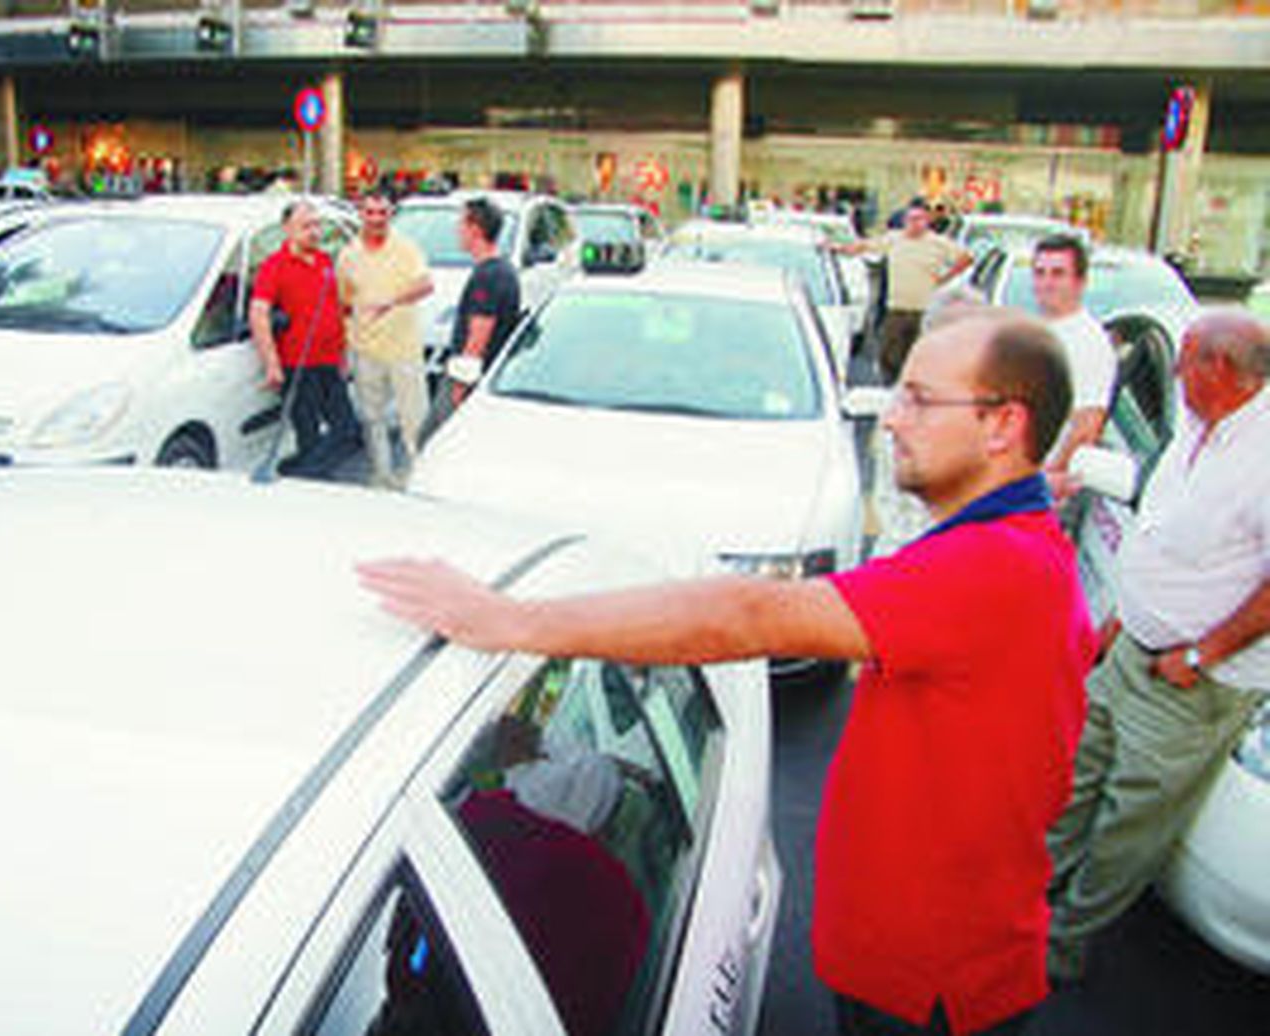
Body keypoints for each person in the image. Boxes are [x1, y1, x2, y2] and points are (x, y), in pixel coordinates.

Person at [362, 312, 1097, 1036]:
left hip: (933, 989)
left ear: (1004, 425)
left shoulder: (994, 568)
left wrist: (513, 622)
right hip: (920, 967)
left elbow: (745, 616)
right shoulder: (1002, 552)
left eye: (920, 399)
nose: (894, 420)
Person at [1046, 310, 1270, 984]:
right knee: (1074, 780)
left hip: (1191, 681)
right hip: (1130, 650)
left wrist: (1199, 655)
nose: (1172, 371)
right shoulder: (1201, 427)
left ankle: (1061, 946)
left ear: (1221, 371)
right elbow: (1158, 533)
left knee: (1127, 826)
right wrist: (1121, 620)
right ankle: (1025, 900)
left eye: (1186, 359)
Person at [249, 199, 361, 477]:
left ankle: (299, 473)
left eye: (316, 225)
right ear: (287, 229)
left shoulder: (324, 261)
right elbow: (258, 313)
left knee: (348, 432)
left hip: (329, 364)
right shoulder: (274, 266)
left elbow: (336, 310)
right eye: (306, 226)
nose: (314, 231)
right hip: (297, 365)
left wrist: (343, 353)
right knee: (308, 435)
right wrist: (271, 364)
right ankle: (313, 483)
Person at [336, 189, 434, 489]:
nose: (377, 219)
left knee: (414, 421)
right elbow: (344, 304)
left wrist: (391, 302)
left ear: (391, 215)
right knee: (372, 419)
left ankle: (421, 479)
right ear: (360, 215)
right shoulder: (348, 255)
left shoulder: (406, 249)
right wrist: (343, 349)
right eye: (370, 213)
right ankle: (382, 477)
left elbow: (426, 285)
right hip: (365, 348)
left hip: (403, 350)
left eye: (383, 213)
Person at [838, 198, 973, 384]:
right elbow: (864, 246)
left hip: (924, 309)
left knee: (922, 354)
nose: (914, 224)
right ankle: (891, 384)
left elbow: (966, 258)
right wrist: (837, 247)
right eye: (911, 220)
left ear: (927, 221)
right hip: (897, 308)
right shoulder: (894, 239)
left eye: (919, 219)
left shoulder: (938, 243)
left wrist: (944, 278)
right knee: (890, 352)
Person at [1030, 233, 1116, 489]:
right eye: (1039, 272)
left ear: (1080, 282)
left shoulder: (1088, 342)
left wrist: (1044, 483)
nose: (1046, 282)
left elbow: (1087, 426)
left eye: (1058, 274)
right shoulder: (1041, 330)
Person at [447, 197, 520, 404]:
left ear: (476, 230)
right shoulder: (502, 270)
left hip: (474, 379)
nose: (457, 231)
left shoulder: (487, 277)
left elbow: (479, 335)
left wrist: (460, 385)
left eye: (461, 224)